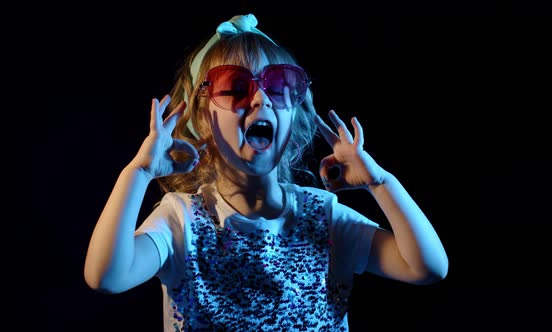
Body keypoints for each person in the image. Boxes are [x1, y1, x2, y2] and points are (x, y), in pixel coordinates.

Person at [84, 13, 449, 331]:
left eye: (278, 86)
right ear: (202, 119)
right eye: (236, 88)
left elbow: (426, 267)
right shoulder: (182, 221)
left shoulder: (323, 216)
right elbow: (107, 276)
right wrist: (138, 173)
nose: (260, 100)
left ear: (295, 112)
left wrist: (380, 183)